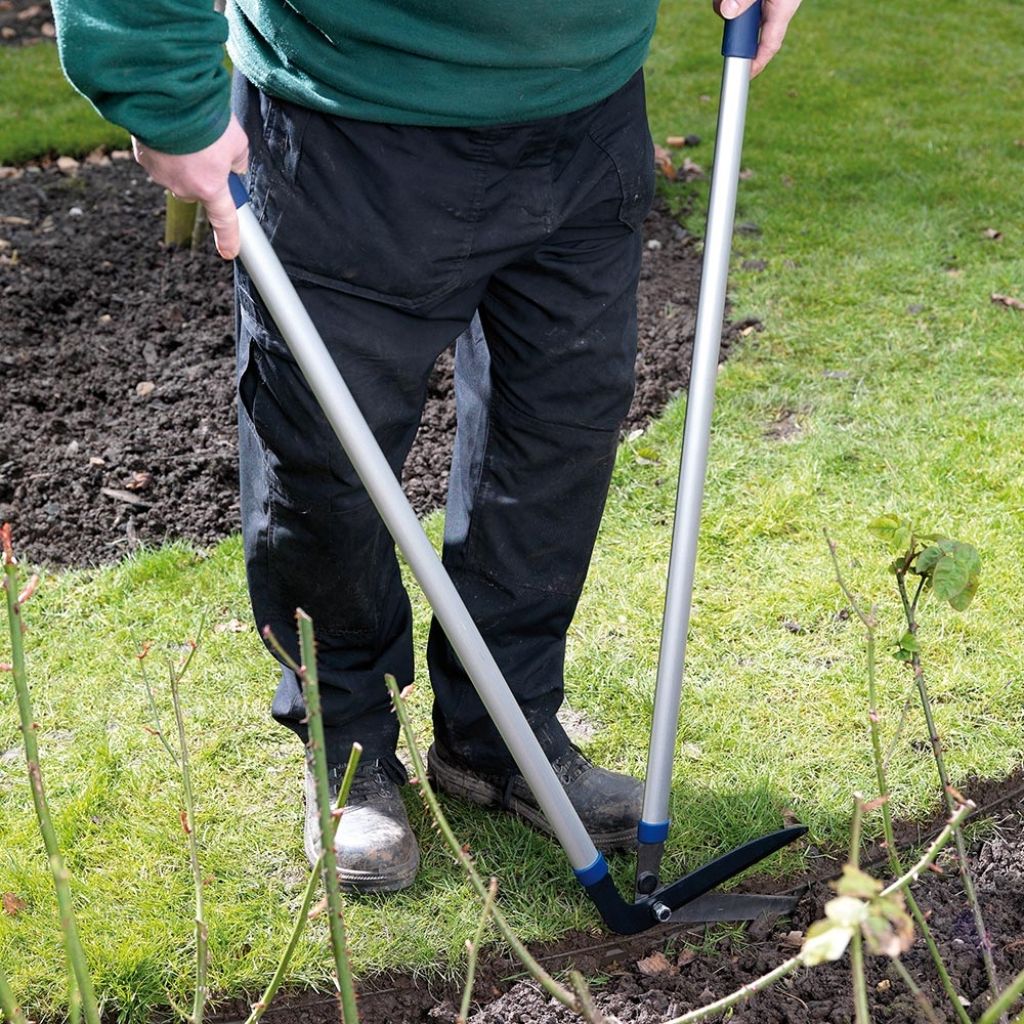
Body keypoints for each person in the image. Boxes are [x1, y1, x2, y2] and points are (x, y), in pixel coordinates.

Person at [52, 0, 802, 892]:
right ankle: (350, 745)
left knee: (559, 431)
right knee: (327, 461)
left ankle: (500, 736)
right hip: (353, 114)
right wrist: (161, 90)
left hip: (586, 107)